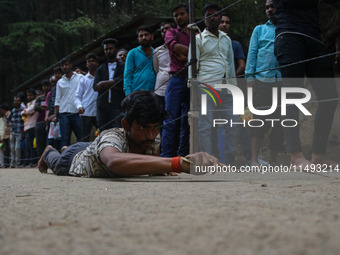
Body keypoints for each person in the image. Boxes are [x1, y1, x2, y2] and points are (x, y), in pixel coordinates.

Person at [38, 91, 220, 177]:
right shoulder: (112, 135)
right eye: (143, 127)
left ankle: (65, 147)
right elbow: (114, 161)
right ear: (125, 124)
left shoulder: (152, 139)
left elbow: (147, 162)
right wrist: (177, 163)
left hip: (94, 149)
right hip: (73, 159)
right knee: (57, 162)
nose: (151, 135)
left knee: (91, 147)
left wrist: (159, 169)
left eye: (156, 127)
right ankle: (50, 151)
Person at [273, 0, 339, 168]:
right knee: (293, 94)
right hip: (289, 35)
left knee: (329, 97)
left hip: (314, 38)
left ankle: (318, 155)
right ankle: (295, 155)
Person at [189, 3, 238, 165]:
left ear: (220, 17)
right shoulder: (198, 39)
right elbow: (192, 65)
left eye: (215, 15)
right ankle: (208, 162)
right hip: (206, 87)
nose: (212, 18)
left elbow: (230, 64)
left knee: (233, 123)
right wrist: (194, 88)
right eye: (208, 15)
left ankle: (229, 162)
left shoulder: (226, 39)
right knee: (205, 126)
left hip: (227, 87)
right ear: (204, 19)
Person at [245, 0, 284, 167]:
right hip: (262, 81)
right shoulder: (259, 29)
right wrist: (250, 79)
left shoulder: (287, 28)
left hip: (283, 81)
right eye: (267, 7)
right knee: (258, 121)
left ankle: (273, 160)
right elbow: (252, 54)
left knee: (280, 122)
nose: (269, 10)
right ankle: (254, 160)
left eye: (272, 6)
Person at [161, 3, 191, 158]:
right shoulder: (170, 31)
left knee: (189, 120)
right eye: (176, 15)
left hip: (193, 80)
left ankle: (183, 156)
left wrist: (183, 53)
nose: (179, 17)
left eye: (181, 14)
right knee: (170, 119)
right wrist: (192, 53)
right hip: (176, 79)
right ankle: (166, 157)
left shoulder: (197, 33)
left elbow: (182, 53)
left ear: (188, 14)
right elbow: (176, 49)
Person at [93, 38, 125, 131]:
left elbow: (122, 81)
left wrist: (104, 83)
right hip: (102, 107)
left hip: (117, 105)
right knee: (103, 132)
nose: (108, 51)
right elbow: (95, 86)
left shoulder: (122, 66)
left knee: (117, 131)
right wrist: (114, 84)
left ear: (115, 49)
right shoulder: (100, 68)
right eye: (106, 49)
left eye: (110, 48)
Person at [54, 58, 83, 147]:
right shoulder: (60, 82)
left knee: (81, 136)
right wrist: (56, 116)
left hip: (76, 112)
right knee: (65, 138)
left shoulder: (80, 77)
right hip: (63, 113)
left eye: (66, 64)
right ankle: (65, 159)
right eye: (63, 65)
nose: (64, 67)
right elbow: (57, 99)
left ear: (71, 65)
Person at [153, 21, 174, 129]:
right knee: (160, 117)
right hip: (160, 89)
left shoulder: (177, 47)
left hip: (175, 87)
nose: (164, 31)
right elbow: (156, 68)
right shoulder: (157, 50)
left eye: (167, 28)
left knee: (173, 116)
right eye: (162, 30)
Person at [124, 26, 156, 96]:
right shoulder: (132, 53)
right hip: (136, 94)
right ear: (138, 39)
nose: (144, 38)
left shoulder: (156, 53)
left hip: (153, 94)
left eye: (146, 35)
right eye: (141, 36)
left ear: (152, 36)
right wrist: (128, 94)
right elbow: (127, 74)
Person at [75, 53, 99, 142]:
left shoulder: (102, 77)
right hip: (86, 113)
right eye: (89, 61)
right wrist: (79, 106)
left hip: (99, 112)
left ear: (97, 63)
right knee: (85, 137)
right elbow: (77, 96)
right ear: (86, 64)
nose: (91, 63)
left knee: (102, 134)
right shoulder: (83, 80)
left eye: (93, 61)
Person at [21, 88, 39, 167]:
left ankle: (33, 161)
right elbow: (22, 112)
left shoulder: (35, 102)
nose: (29, 97)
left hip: (33, 125)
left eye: (31, 95)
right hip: (27, 126)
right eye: (28, 95)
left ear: (34, 96)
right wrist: (25, 112)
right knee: (27, 146)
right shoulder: (28, 104)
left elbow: (30, 111)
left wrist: (25, 112)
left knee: (32, 145)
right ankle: (28, 161)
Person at [34, 80, 51, 157]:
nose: (46, 88)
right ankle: (40, 159)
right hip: (40, 122)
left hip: (50, 121)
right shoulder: (40, 98)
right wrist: (44, 108)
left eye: (47, 86)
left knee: (49, 142)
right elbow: (36, 107)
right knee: (40, 142)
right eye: (44, 86)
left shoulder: (52, 95)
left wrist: (45, 108)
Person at [8, 96, 24, 168]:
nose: (16, 102)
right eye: (15, 101)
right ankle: (12, 163)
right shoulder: (13, 110)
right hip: (13, 131)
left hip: (19, 131)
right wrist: (10, 124)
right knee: (12, 148)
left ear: (20, 101)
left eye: (18, 100)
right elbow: (8, 119)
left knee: (17, 148)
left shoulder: (23, 110)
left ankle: (18, 163)